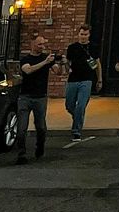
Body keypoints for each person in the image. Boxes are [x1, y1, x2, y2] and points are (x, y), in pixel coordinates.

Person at [17, 32, 61, 163]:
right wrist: (44, 62)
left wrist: (60, 63)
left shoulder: (46, 58)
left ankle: (40, 147)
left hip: (40, 97)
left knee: (41, 126)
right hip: (25, 97)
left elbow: (57, 72)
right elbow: (28, 70)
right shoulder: (25, 59)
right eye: (39, 44)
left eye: (43, 44)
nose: (42, 47)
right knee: (21, 128)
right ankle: (21, 154)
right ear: (33, 45)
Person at [63, 23, 101, 140]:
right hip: (73, 79)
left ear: (89, 35)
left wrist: (99, 79)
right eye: (81, 34)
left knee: (81, 105)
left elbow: (97, 64)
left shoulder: (93, 47)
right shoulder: (72, 48)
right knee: (69, 105)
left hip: (87, 79)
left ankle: (76, 130)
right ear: (78, 34)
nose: (83, 37)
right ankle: (78, 118)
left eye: (85, 34)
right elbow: (68, 64)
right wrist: (65, 64)